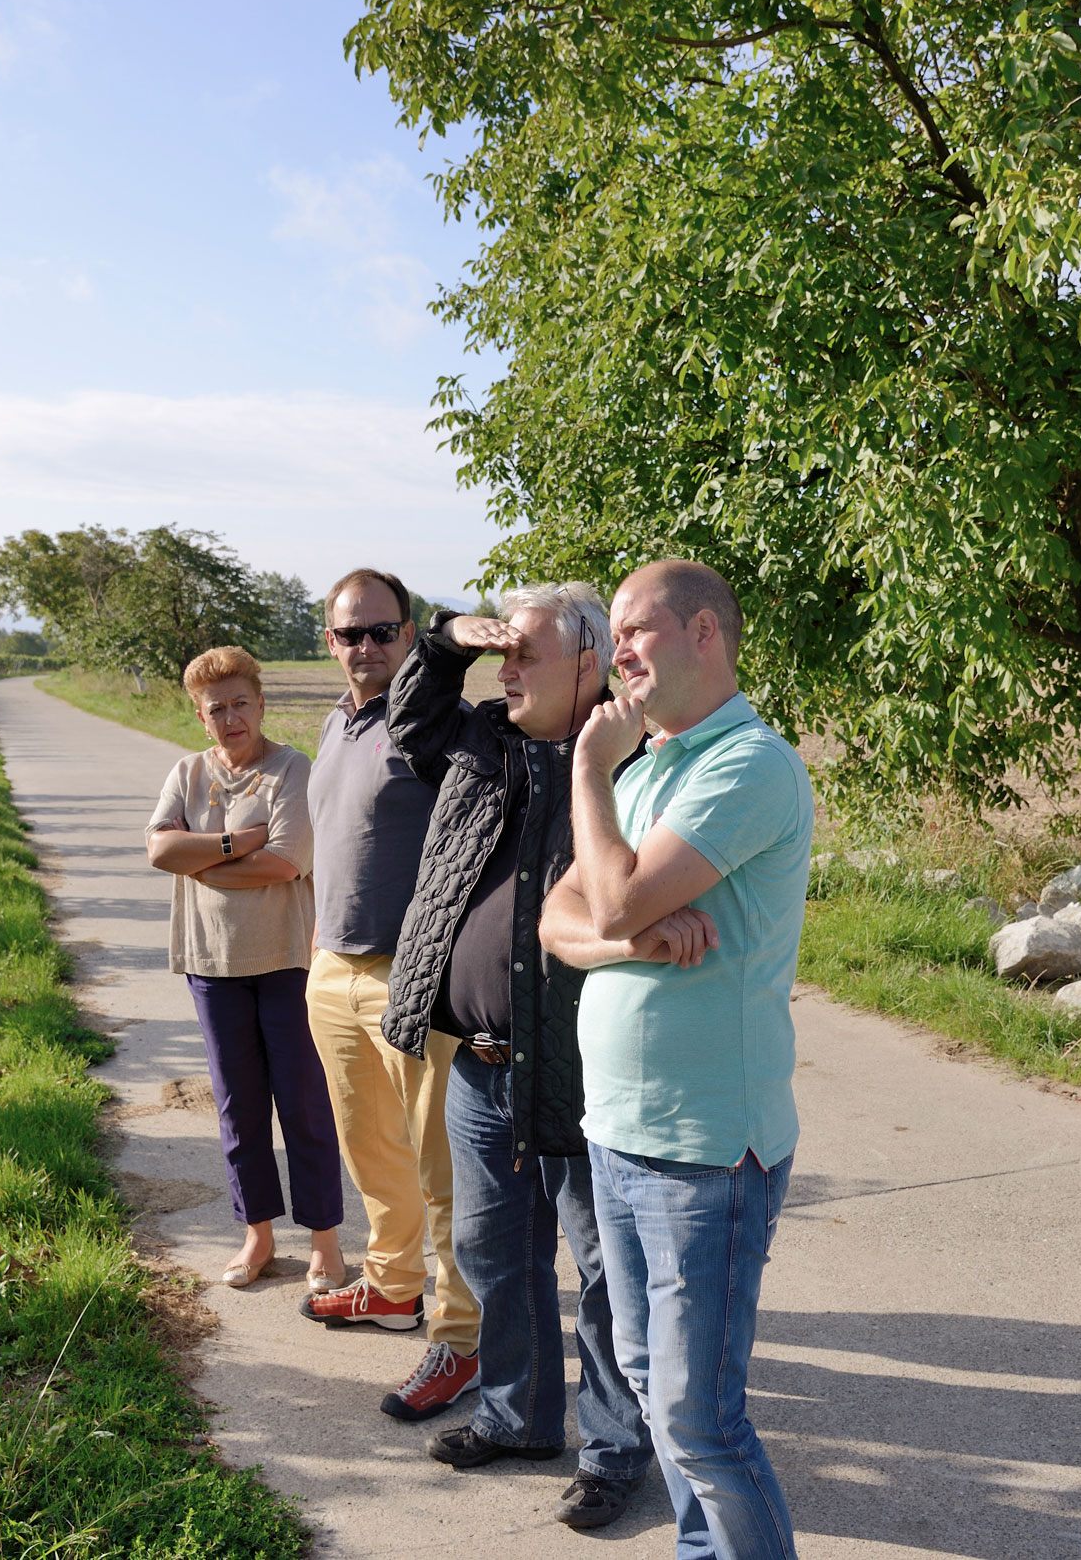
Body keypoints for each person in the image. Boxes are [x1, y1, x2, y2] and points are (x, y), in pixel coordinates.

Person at [382, 584, 684, 1531]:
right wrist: (446, 640)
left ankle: (612, 1452)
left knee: (604, 1268)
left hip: (582, 1065)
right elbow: (408, 720)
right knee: (492, 1247)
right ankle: (517, 1417)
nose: (506, 672)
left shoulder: (636, 763)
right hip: (479, 1060)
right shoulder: (482, 739)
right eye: (502, 655)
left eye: (527, 656)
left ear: (589, 663)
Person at [541, 560, 813, 1560]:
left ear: (706, 632)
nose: (615, 654)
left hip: (705, 1148)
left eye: (633, 630)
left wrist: (583, 767)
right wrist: (635, 938)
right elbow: (559, 919)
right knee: (654, 1385)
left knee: (702, 1417)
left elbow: (603, 898)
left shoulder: (747, 763)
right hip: (617, 1132)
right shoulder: (650, 767)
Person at [301, 566, 482, 1421]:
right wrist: (317, 952)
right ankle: (391, 1285)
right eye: (350, 633)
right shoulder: (337, 722)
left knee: (441, 1170)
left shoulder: (432, 730)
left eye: (382, 631)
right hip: (332, 969)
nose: (366, 647)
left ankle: (460, 1339)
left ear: (409, 634)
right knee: (371, 1149)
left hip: (412, 981)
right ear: (328, 640)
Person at [144, 645, 344, 1292]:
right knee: (238, 1107)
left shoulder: (292, 770)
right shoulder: (187, 772)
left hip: (287, 961)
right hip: (211, 963)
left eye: (239, 704)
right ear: (201, 718)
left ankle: (324, 1245)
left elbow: (285, 863)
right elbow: (158, 850)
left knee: (305, 1105)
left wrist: (198, 859)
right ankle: (256, 1236)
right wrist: (234, 844)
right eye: (216, 709)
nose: (230, 718)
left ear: (261, 705)